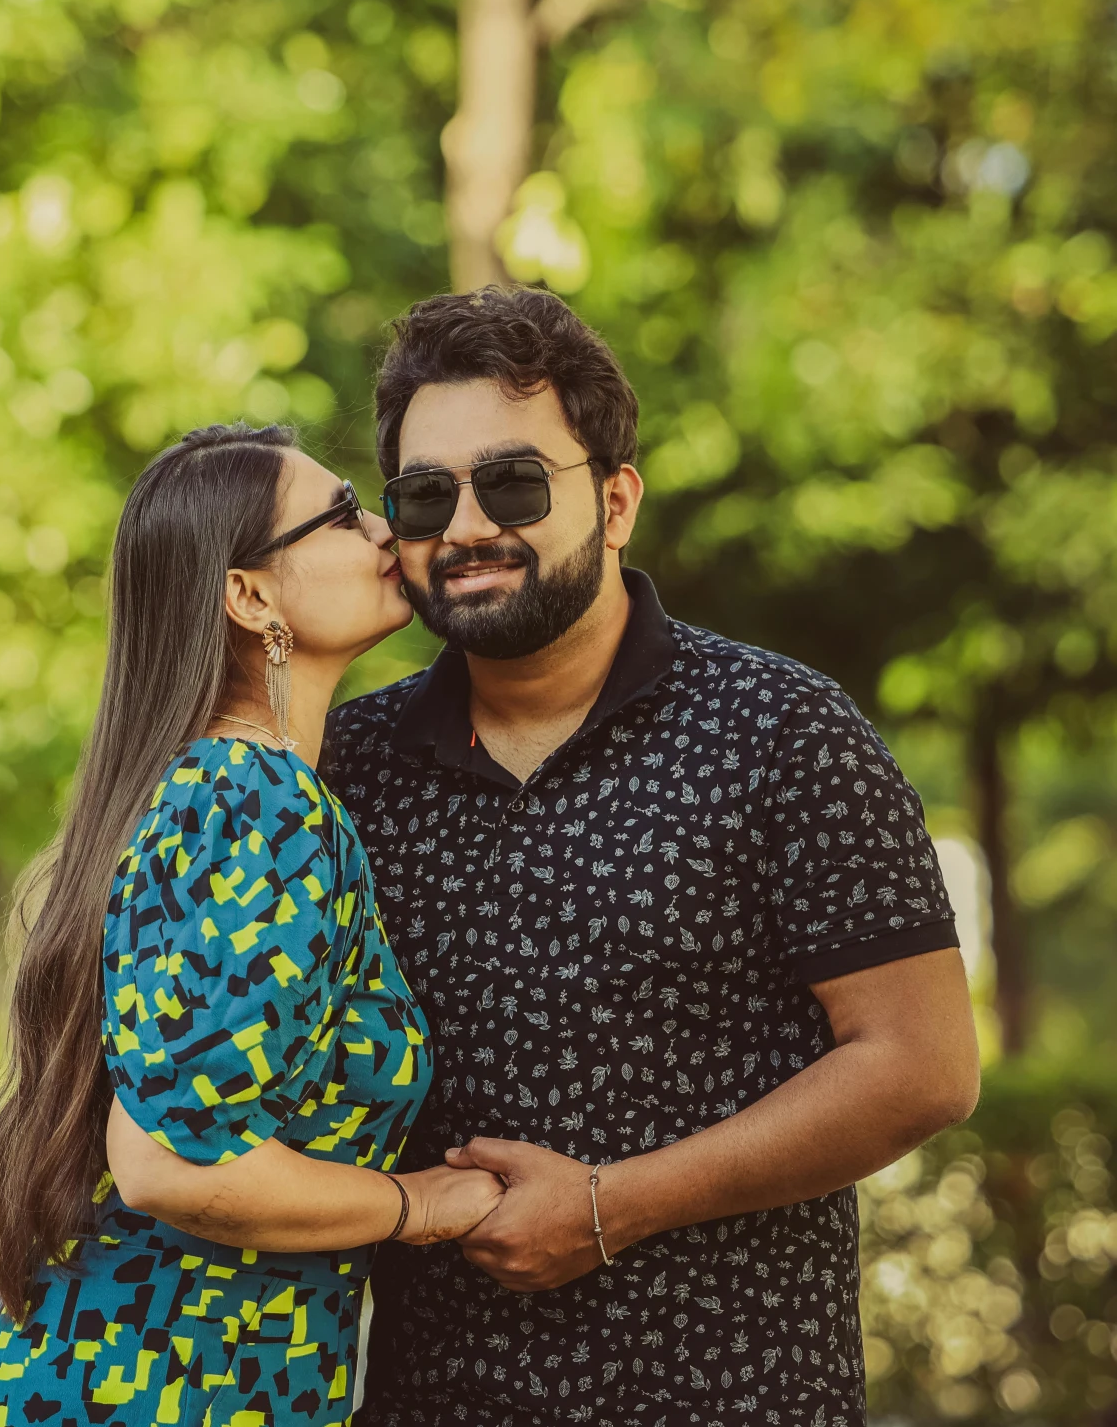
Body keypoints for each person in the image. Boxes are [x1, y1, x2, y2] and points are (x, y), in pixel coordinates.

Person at [323, 287, 982, 1427]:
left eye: (515, 482)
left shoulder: (783, 731)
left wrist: (611, 1205)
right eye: (426, 496)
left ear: (616, 500)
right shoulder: (344, 768)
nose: (467, 527)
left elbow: (923, 1067)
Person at [0, 423, 506, 1427]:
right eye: (342, 515)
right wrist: (420, 1206)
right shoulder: (255, 799)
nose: (387, 529)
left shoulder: (215, 790)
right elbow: (170, 1156)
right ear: (250, 595)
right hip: (167, 1394)